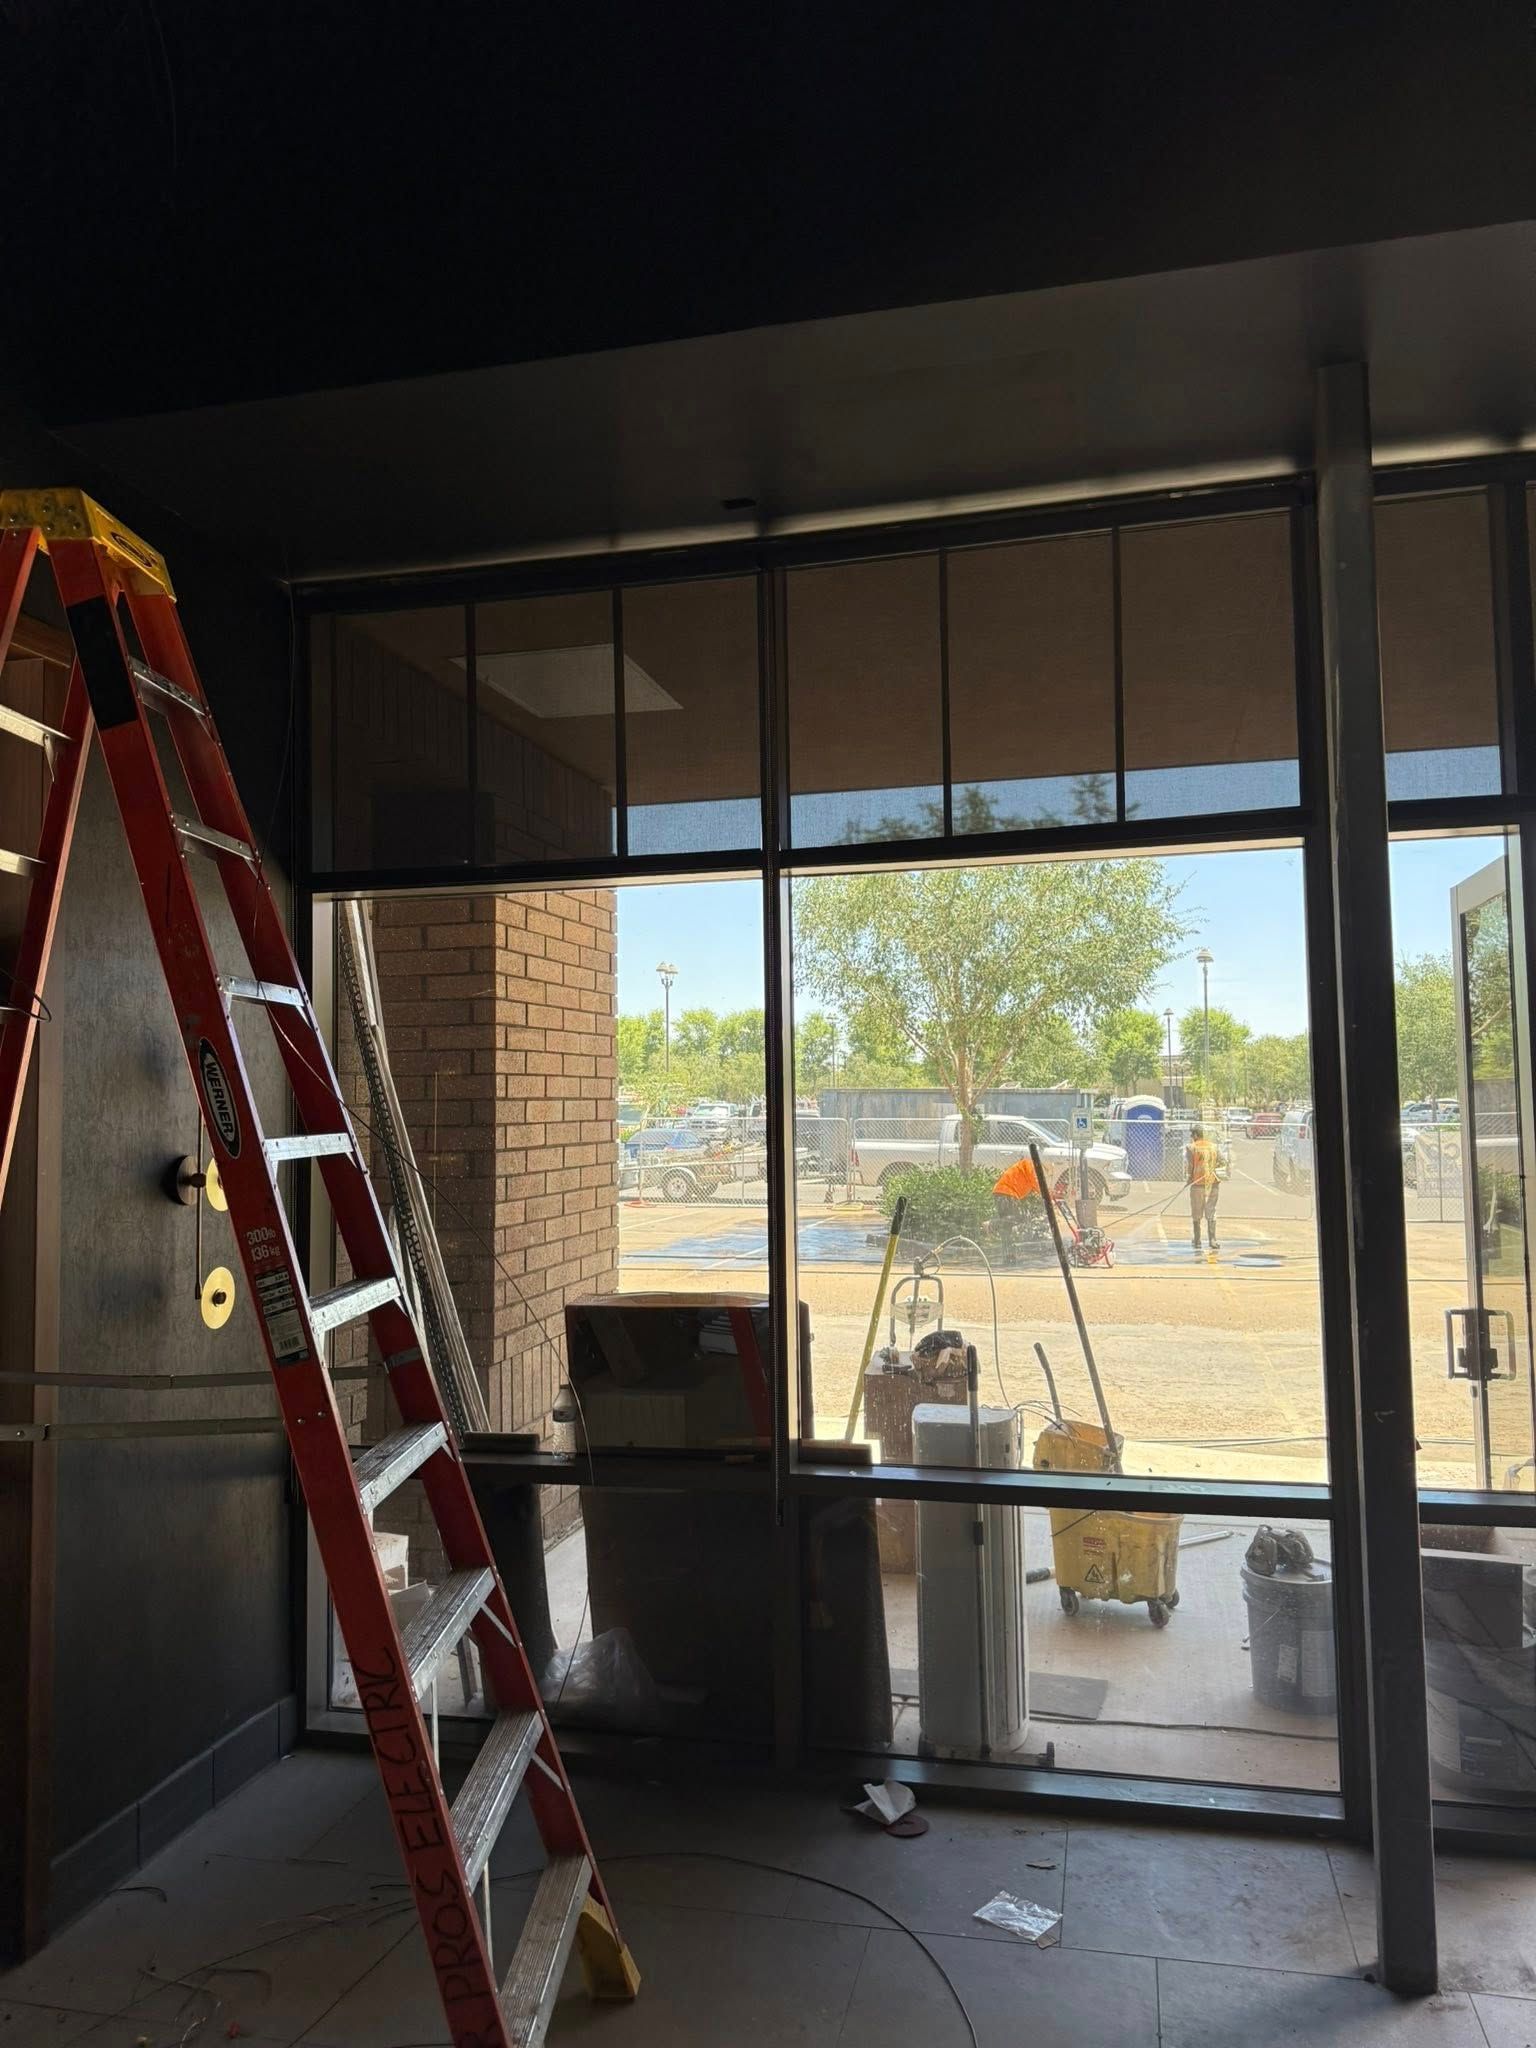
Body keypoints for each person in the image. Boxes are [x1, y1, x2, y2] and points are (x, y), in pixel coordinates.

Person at [992, 1152, 1043, 1258]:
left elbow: (1034, 1185)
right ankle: (992, 1224)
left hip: (1003, 1193)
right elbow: (1036, 1183)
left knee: (1007, 1227)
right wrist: (1047, 1195)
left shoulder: (1025, 1167)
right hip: (1006, 1193)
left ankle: (1008, 1255)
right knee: (1018, 1217)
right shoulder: (1028, 1164)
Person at [1185, 1124, 1226, 1252]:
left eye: (1192, 1135)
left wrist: (1189, 1179)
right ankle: (1212, 1240)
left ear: (1196, 1135)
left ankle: (1197, 1240)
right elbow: (1223, 1161)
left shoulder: (1191, 1148)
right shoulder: (1214, 1147)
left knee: (1197, 1213)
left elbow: (1190, 1167)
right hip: (1212, 1184)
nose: (1192, 1137)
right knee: (1211, 1211)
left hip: (1197, 1186)